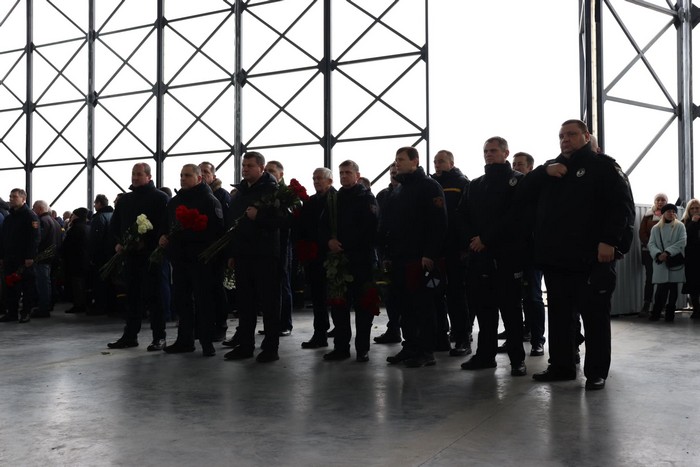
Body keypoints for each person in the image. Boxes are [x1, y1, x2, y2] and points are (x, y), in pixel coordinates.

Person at [522, 119, 635, 390]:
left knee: (594, 317)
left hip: (591, 258)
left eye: (571, 134)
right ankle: (561, 367)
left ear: (586, 136)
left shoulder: (603, 167)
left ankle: (596, 372)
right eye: (561, 135)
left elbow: (622, 207)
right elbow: (521, 194)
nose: (565, 139)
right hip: (556, 258)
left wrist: (609, 241)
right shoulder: (551, 168)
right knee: (560, 317)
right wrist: (543, 171)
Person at [457, 137, 527, 377]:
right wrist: (473, 240)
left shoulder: (517, 181)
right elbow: (461, 215)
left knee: (511, 312)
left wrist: (486, 239)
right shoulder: (475, 184)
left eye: (494, 150)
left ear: (506, 153)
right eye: (486, 151)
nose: (489, 154)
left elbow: (515, 216)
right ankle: (485, 356)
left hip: (507, 256)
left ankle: (517, 359)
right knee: (484, 311)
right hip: (480, 257)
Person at [380, 146, 447, 368]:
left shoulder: (429, 186)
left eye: (401, 159)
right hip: (399, 257)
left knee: (423, 307)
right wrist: (387, 253)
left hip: (419, 258)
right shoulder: (399, 189)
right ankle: (410, 347)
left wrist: (430, 253)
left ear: (415, 161)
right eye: (396, 159)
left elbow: (439, 223)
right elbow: (389, 225)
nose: (397, 163)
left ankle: (426, 351)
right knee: (404, 306)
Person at [224, 151, 283, 363]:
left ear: (261, 167)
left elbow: (282, 221)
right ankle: (245, 345)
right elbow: (234, 224)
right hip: (243, 255)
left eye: (249, 165)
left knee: (269, 303)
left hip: (265, 255)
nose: (245, 169)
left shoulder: (272, 190)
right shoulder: (240, 192)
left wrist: (260, 216)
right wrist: (232, 253)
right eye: (243, 165)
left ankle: (271, 347)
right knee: (245, 303)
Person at [161, 164, 225, 356]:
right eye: (181, 175)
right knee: (182, 301)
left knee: (204, 301)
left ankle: (206, 341)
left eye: (187, 175)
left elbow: (217, 231)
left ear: (199, 178)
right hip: (180, 260)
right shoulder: (174, 202)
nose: (183, 178)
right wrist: (164, 237)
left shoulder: (209, 200)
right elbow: (166, 225)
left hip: (201, 260)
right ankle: (185, 340)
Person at [320, 160, 379, 362]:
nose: (344, 176)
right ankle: (341, 347)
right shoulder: (334, 199)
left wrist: (345, 244)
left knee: (364, 306)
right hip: (339, 262)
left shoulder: (366, 198)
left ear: (357, 175)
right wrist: (329, 242)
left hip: (362, 260)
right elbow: (322, 225)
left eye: (348, 172)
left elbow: (371, 229)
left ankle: (362, 348)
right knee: (339, 306)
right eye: (341, 173)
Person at [107, 162, 169, 351]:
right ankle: (130, 335)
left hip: (152, 257)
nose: (135, 177)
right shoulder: (125, 200)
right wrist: (118, 242)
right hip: (130, 256)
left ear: (149, 176)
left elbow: (164, 226)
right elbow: (115, 225)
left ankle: (159, 336)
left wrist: (148, 243)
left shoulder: (160, 198)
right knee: (132, 297)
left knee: (155, 297)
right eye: (133, 173)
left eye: (139, 174)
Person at [431, 149, 471, 357]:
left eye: (441, 161)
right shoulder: (431, 185)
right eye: (435, 162)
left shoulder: (461, 183)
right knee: (435, 293)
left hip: (455, 249)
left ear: (451, 163)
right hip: (436, 249)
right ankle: (440, 337)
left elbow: (466, 216)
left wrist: (464, 246)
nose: (437, 165)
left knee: (456, 295)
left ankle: (462, 337)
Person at [506, 152, 546, 357]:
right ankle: (518, 335)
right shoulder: (512, 189)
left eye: (520, 164)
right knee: (515, 297)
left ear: (530, 168)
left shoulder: (537, 190)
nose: (515, 167)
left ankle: (538, 340)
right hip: (515, 251)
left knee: (533, 296)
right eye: (514, 164)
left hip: (534, 251)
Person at [298, 167, 336, 349]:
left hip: (333, 255)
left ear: (330, 181)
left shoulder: (337, 199)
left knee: (336, 297)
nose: (316, 181)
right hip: (315, 255)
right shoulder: (311, 201)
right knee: (318, 297)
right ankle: (320, 333)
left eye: (320, 178)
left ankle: (339, 333)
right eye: (314, 178)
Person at [199, 161, 232, 341]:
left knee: (217, 289)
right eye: (200, 171)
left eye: (206, 171)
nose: (203, 174)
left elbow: (226, 224)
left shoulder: (221, 195)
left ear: (213, 175)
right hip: (201, 251)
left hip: (217, 251)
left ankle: (221, 326)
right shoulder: (196, 195)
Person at [0, 189, 40, 323]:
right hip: (10, 258)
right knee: (10, 286)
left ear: (23, 199)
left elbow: (34, 238)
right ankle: (11, 313)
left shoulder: (30, 216)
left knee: (26, 286)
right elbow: (3, 238)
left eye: (14, 197)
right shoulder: (9, 218)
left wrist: (30, 256)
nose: (11, 199)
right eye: (10, 196)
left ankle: (25, 313)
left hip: (24, 259)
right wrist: (2, 256)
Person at [373, 163, 402, 344]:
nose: (393, 175)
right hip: (386, 252)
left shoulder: (409, 193)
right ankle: (393, 329)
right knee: (389, 294)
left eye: (396, 172)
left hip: (404, 251)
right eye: (391, 172)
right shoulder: (382, 195)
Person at [264, 160, 294, 336]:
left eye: (272, 171)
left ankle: (285, 323)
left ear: (281, 175)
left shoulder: (286, 194)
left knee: (283, 284)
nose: (268, 174)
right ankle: (272, 323)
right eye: (266, 171)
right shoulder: (267, 192)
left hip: (283, 244)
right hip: (268, 245)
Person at [647, 203, 686, 322]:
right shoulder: (656, 228)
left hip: (674, 261)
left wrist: (668, 252)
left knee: (673, 289)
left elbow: (682, 241)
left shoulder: (680, 226)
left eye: (673, 212)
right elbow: (651, 244)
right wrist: (658, 254)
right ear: (663, 213)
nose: (671, 213)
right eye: (669, 211)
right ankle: (656, 313)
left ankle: (670, 314)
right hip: (661, 262)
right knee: (661, 289)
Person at [638, 193, 669, 316]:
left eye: (663, 200)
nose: (660, 202)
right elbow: (642, 232)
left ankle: (660, 307)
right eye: (658, 200)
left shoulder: (670, 215)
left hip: (664, 253)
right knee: (650, 278)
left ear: (666, 202)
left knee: (663, 280)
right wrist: (651, 245)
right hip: (649, 252)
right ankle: (646, 305)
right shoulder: (648, 216)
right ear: (654, 201)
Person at [32, 200, 62, 318]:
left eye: (34, 208)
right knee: (49, 282)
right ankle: (48, 305)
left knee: (43, 284)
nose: (33, 210)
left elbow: (38, 239)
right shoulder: (55, 222)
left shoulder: (42, 221)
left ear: (39, 209)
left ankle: (43, 308)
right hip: (53, 257)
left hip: (43, 258)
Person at [88, 194, 115, 315]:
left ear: (99, 203)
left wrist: (92, 256)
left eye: (95, 203)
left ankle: (100, 306)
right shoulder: (112, 215)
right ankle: (109, 305)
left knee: (100, 282)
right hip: (111, 254)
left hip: (100, 256)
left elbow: (95, 239)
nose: (94, 205)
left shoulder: (99, 218)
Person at [61, 208, 91, 314]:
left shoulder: (75, 228)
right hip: (85, 260)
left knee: (77, 284)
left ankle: (79, 305)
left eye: (73, 215)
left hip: (75, 260)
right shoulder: (88, 227)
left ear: (76, 216)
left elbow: (68, 245)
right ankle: (83, 304)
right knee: (82, 284)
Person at [682, 199, 700, 320]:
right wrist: (693, 222)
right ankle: (696, 309)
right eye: (692, 208)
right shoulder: (684, 222)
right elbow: (684, 237)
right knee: (693, 284)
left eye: (697, 208)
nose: (695, 210)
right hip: (691, 258)